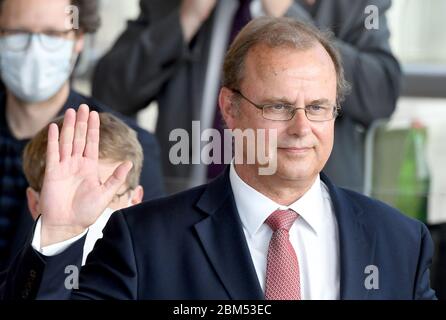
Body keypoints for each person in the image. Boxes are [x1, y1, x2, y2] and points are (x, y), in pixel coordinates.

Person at [1, 18, 434, 300]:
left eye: (318, 107)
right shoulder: (144, 242)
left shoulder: (399, 242)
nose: (302, 128)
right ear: (229, 108)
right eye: (278, 107)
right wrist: (58, 235)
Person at [92, 0, 401, 194]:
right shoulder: (170, 5)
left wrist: (287, 12)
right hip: (184, 209)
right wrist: (186, 19)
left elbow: (381, 94)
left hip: (302, 216)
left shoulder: (355, 5)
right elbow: (111, 92)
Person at [0, 0, 164, 270]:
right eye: (17, 32)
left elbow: (148, 266)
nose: (34, 49)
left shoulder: (125, 148)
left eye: (52, 34)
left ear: (79, 37)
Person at [21, 111, 145, 299]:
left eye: (109, 196)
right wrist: (59, 232)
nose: (90, 211)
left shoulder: (168, 287)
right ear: (35, 204)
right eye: (73, 197)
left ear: (135, 201)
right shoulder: (14, 290)